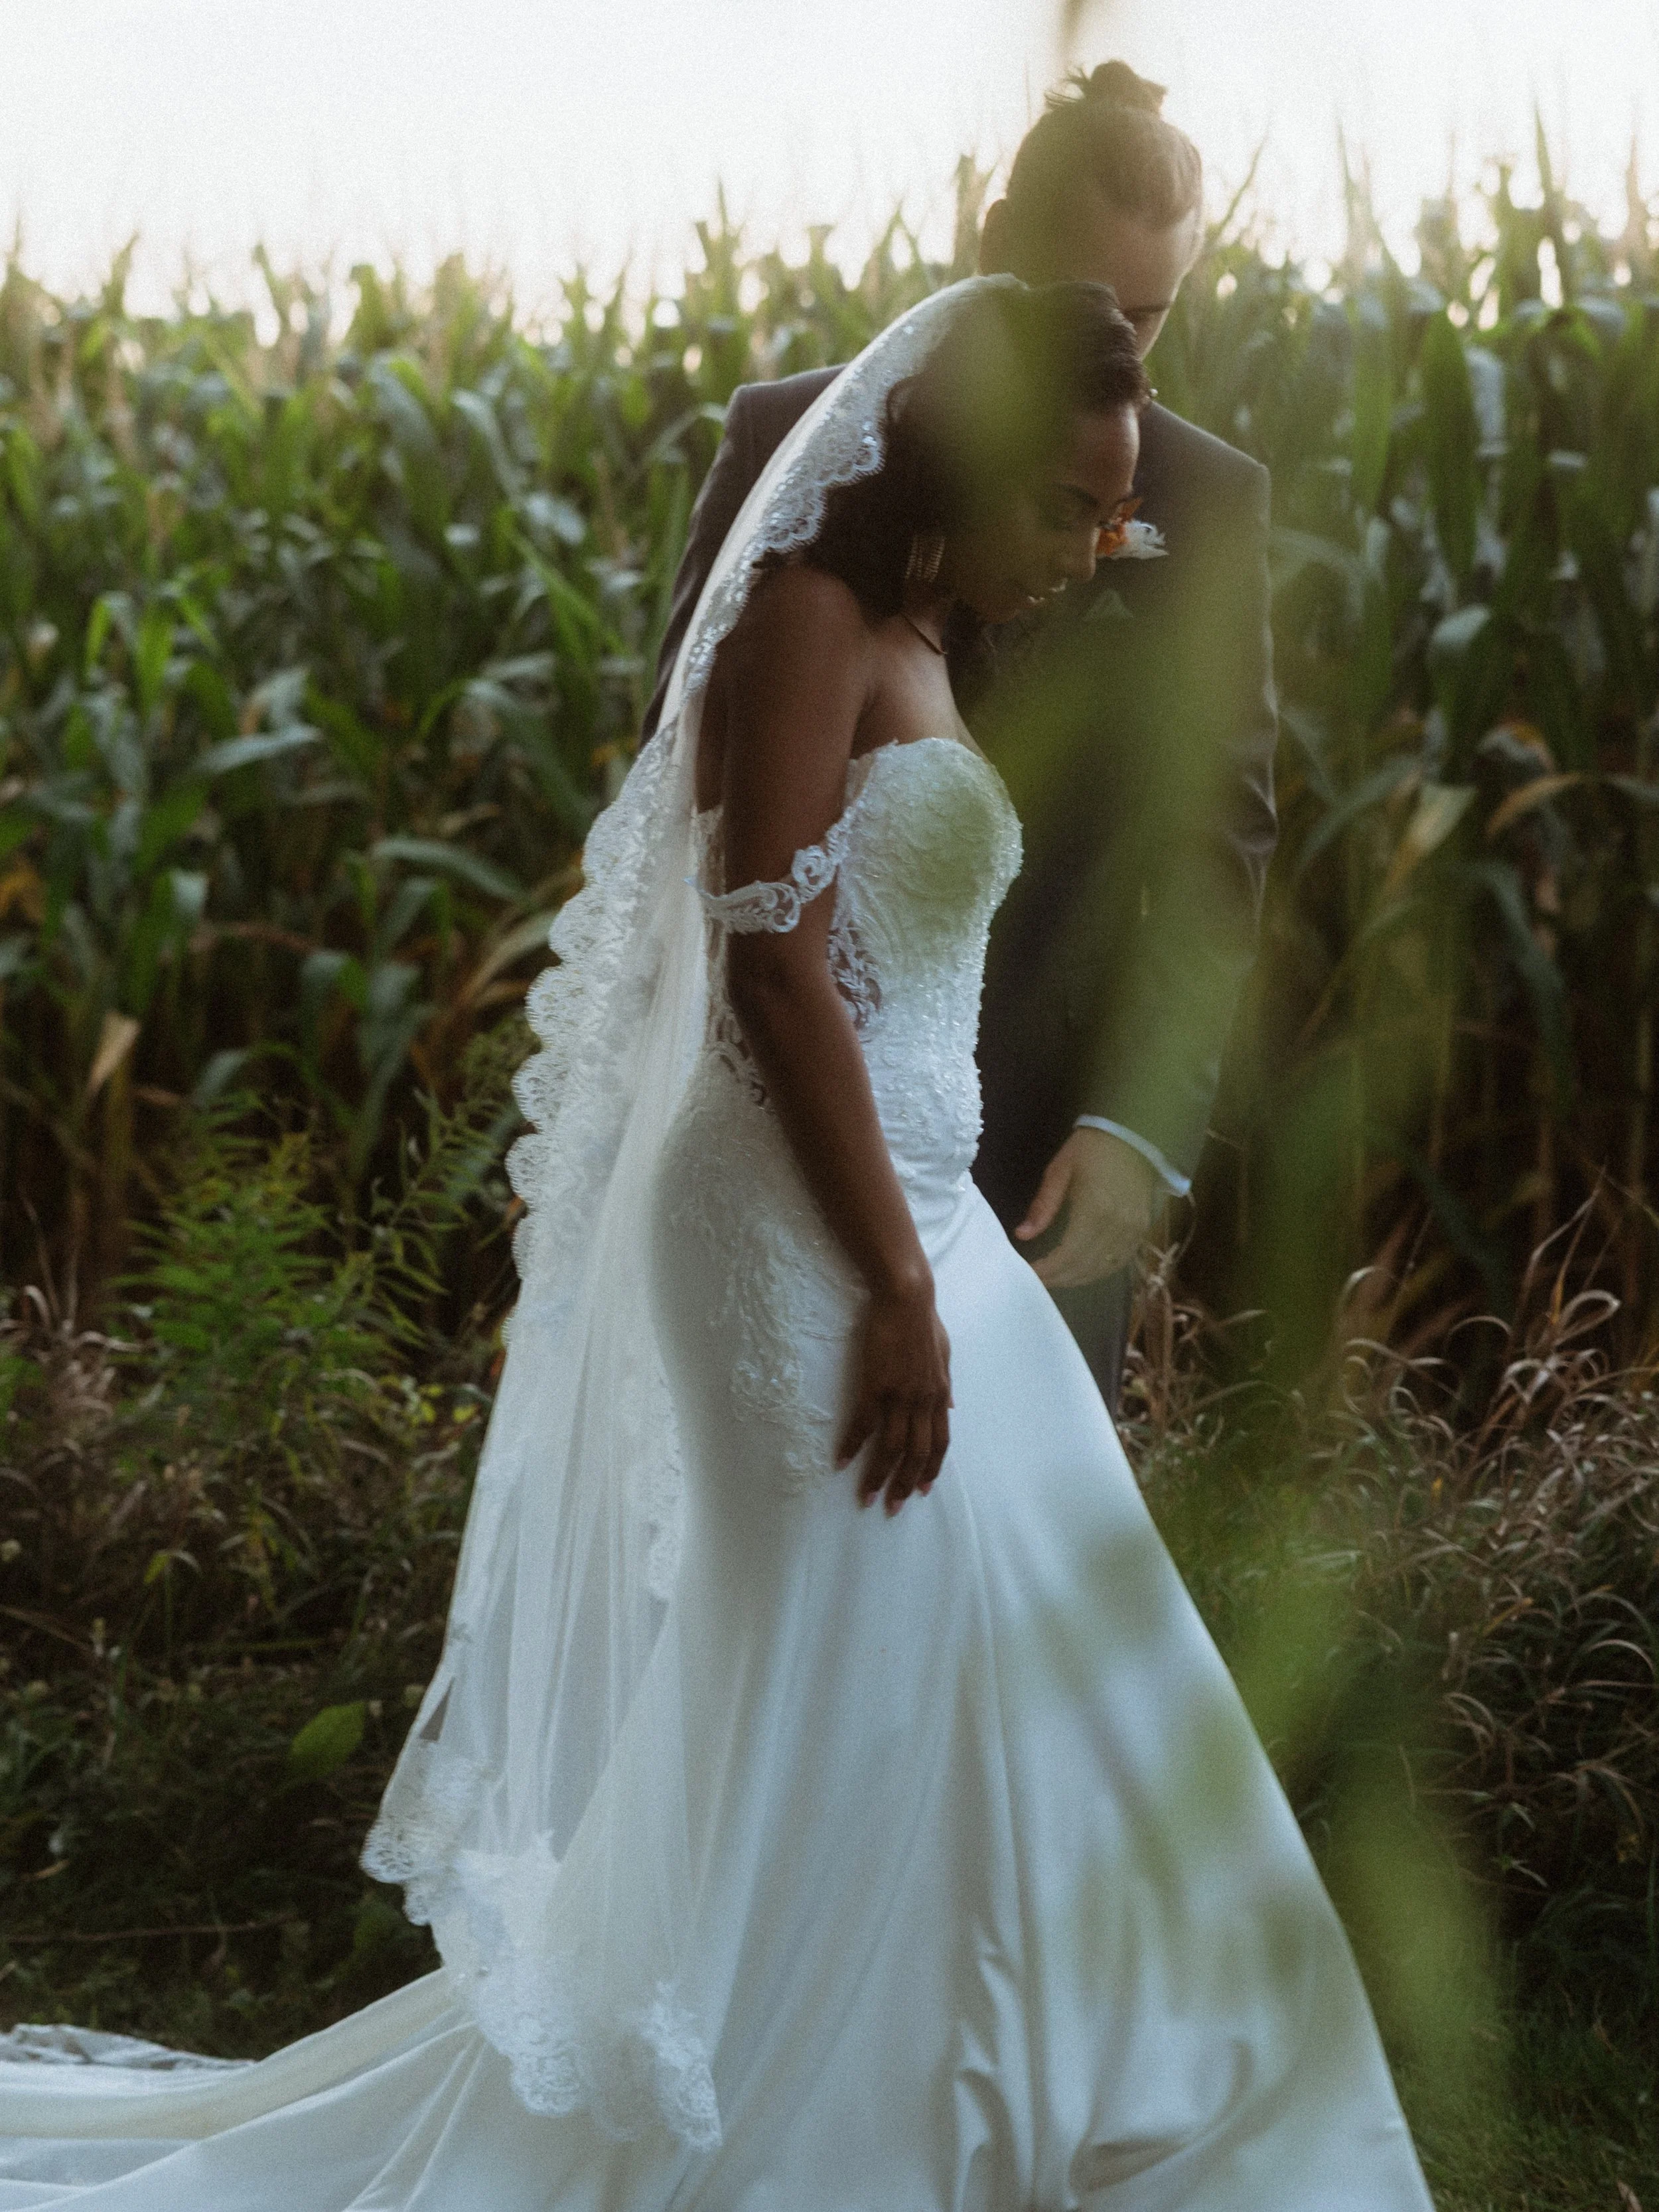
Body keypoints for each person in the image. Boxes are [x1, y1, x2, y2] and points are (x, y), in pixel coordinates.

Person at [0, 279, 1429, 2210]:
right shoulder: (806, 618)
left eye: (1119, 517)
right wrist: (900, 1288)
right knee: (840, 1661)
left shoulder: (926, 630)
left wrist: (938, 1259)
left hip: (924, 1221)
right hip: (790, 1230)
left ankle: (1051, 2072)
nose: (1101, 549)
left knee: (1043, 1643)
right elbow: (768, 967)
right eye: (1074, 506)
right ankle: (798, 2115)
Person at [644, 62, 1279, 1411]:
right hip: (785, 1128)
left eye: (1143, 314)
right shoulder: (788, 438)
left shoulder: (1207, 503)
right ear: (992, 242)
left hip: (1056, 1141)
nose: (1102, 339)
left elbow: (1218, 841)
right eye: (1072, 294)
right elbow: (685, 771)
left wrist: (1134, 1128)